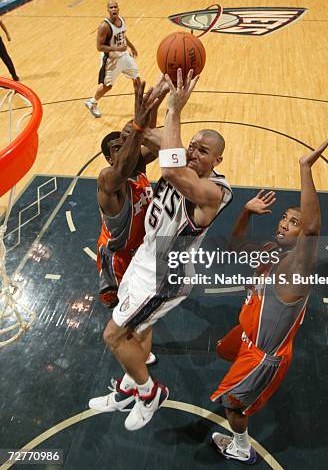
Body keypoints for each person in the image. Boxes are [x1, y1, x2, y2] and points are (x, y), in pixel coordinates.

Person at [89, 69, 233, 431]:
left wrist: (174, 109)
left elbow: (171, 172)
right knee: (138, 329)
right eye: (193, 146)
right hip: (145, 258)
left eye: (204, 151)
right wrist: (150, 104)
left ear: (217, 162)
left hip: (165, 272)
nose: (194, 152)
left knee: (113, 334)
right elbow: (139, 134)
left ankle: (149, 392)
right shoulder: (178, 156)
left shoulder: (215, 191)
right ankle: (126, 388)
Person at [210, 138, 328, 464]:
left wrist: (305, 168)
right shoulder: (272, 251)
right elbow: (235, 247)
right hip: (249, 336)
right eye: (285, 218)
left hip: (263, 355)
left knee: (232, 404)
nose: (285, 223)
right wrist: (245, 213)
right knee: (223, 352)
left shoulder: (298, 267)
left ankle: (241, 447)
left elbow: (312, 228)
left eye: (294, 222)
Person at [96, 75, 168, 308]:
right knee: (121, 312)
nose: (126, 148)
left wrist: (158, 100)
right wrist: (137, 126)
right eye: (118, 147)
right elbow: (123, 165)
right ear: (109, 158)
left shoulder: (137, 165)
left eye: (126, 144)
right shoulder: (107, 179)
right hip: (119, 260)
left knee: (144, 305)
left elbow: (150, 141)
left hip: (142, 252)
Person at [85, 1, 138, 118]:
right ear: (108, 10)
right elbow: (99, 47)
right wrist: (117, 48)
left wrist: (132, 46)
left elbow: (123, 35)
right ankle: (92, 102)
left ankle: (139, 105)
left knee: (136, 78)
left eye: (115, 7)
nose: (113, 9)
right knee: (107, 86)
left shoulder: (122, 20)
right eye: (111, 7)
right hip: (111, 60)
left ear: (118, 9)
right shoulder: (104, 26)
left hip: (124, 56)